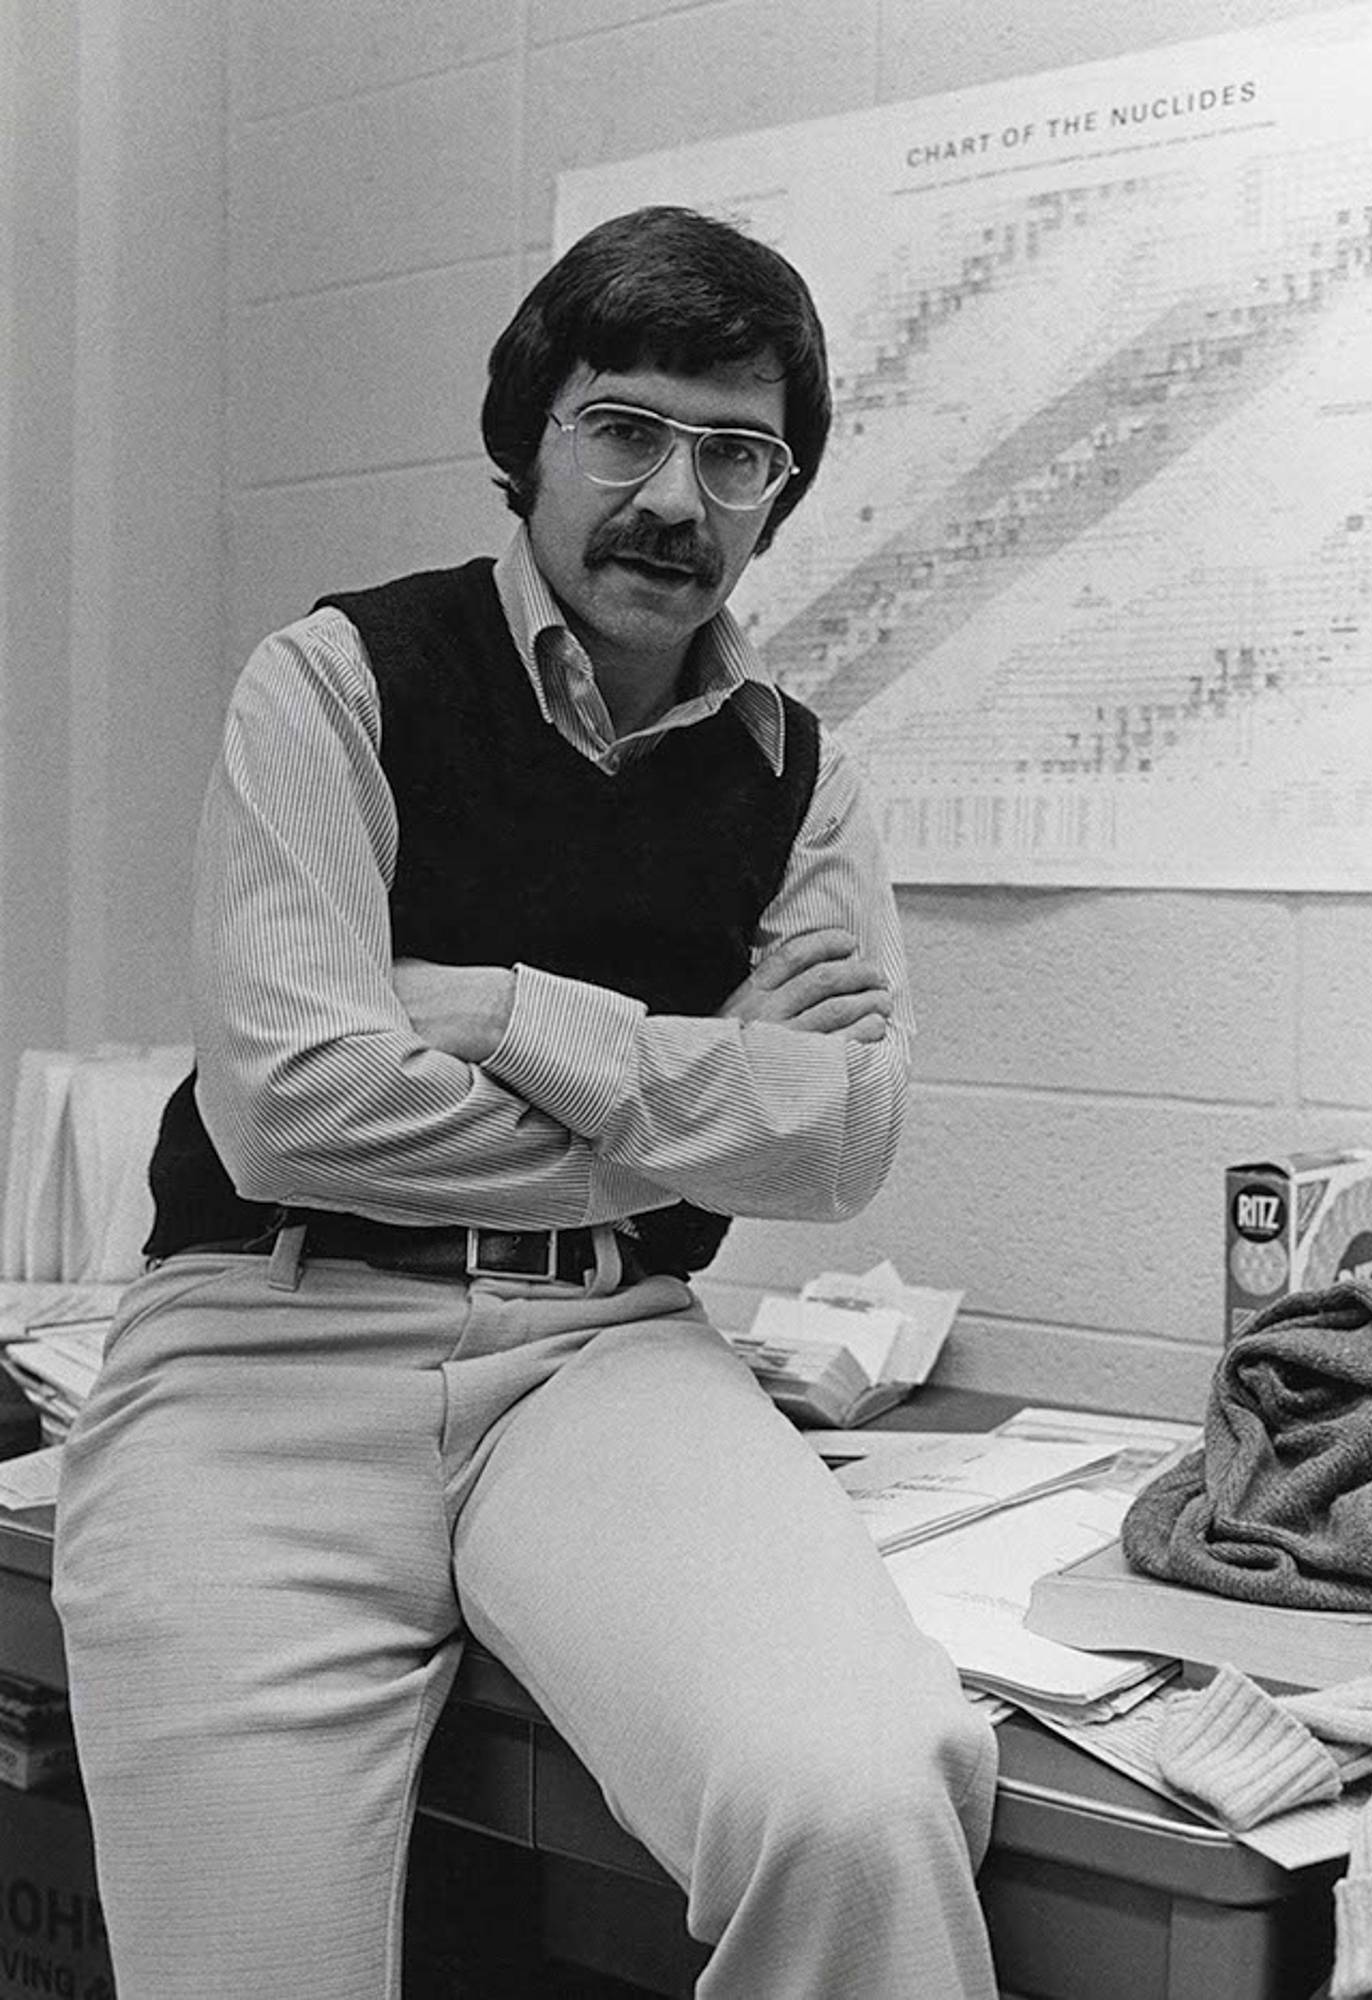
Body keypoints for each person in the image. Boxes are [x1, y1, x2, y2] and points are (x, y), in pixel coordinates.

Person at [52, 205, 1000, 2000]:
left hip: (606, 1356)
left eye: (736, 453)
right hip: (267, 1346)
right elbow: (296, 1111)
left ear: (779, 491)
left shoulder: (803, 776)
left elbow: (838, 1141)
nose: (677, 498)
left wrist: (490, 1009)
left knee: (861, 1805)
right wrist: (702, 1069)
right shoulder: (336, 680)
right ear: (528, 436)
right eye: (623, 428)